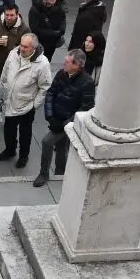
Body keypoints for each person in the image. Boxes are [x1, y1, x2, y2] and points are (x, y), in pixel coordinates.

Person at [33, 49, 96, 187]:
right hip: (56, 118)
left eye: (67, 62)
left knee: (47, 141)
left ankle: (44, 173)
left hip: (68, 122)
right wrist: (50, 116)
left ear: (77, 65)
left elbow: (85, 108)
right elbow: (51, 93)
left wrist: (64, 124)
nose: (64, 64)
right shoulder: (62, 74)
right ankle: (61, 172)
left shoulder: (87, 83)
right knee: (61, 147)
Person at [0, 34, 52, 169]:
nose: (21, 48)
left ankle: (23, 156)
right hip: (10, 101)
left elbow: (45, 86)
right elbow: (5, 74)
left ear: (34, 48)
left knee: (25, 133)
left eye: (25, 47)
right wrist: (2, 95)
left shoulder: (42, 64)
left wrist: (35, 105)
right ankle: (10, 150)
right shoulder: (13, 54)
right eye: (21, 45)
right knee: (8, 130)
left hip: (27, 106)